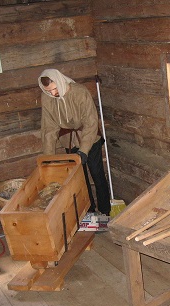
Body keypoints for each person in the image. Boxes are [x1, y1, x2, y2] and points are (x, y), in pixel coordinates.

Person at [38, 69, 111, 216]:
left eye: (54, 89)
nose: (52, 93)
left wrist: (84, 151)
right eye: (48, 91)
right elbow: (49, 129)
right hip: (69, 141)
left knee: (97, 174)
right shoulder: (47, 98)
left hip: (89, 138)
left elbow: (90, 123)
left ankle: (105, 210)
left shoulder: (79, 92)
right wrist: (48, 159)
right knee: (79, 179)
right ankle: (89, 211)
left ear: (59, 82)